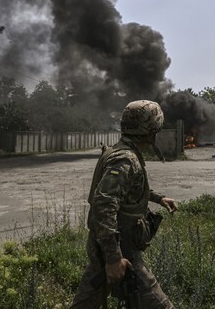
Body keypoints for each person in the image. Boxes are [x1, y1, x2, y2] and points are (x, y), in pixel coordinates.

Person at [71, 100, 178, 309]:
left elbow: (125, 191)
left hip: (109, 244)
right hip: (120, 247)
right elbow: (104, 204)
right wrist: (113, 258)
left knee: (86, 302)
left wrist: (158, 198)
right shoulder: (126, 159)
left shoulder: (119, 152)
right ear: (152, 130)